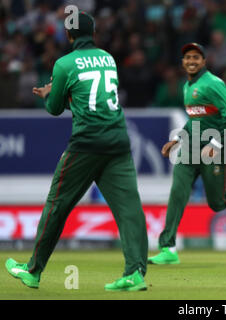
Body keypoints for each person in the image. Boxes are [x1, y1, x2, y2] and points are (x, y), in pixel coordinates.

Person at [5, 12, 148, 291]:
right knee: (129, 210)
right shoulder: (108, 58)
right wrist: (71, 96)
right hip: (118, 140)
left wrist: (50, 94)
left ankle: (33, 270)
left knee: (57, 205)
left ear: (68, 35)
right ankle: (135, 273)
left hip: (87, 144)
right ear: (92, 33)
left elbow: (55, 109)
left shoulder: (64, 64)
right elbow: (96, 101)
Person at [148, 43, 226, 265]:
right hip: (189, 149)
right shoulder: (187, 87)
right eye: (187, 57)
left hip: (213, 151)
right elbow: (194, 119)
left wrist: (215, 144)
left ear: (204, 61)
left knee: (217, 204)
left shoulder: (213, 84)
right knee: (178, 193)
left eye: (196, 57)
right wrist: (177, 139)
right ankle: (168, 248)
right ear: (183, 62)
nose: (191, 61)